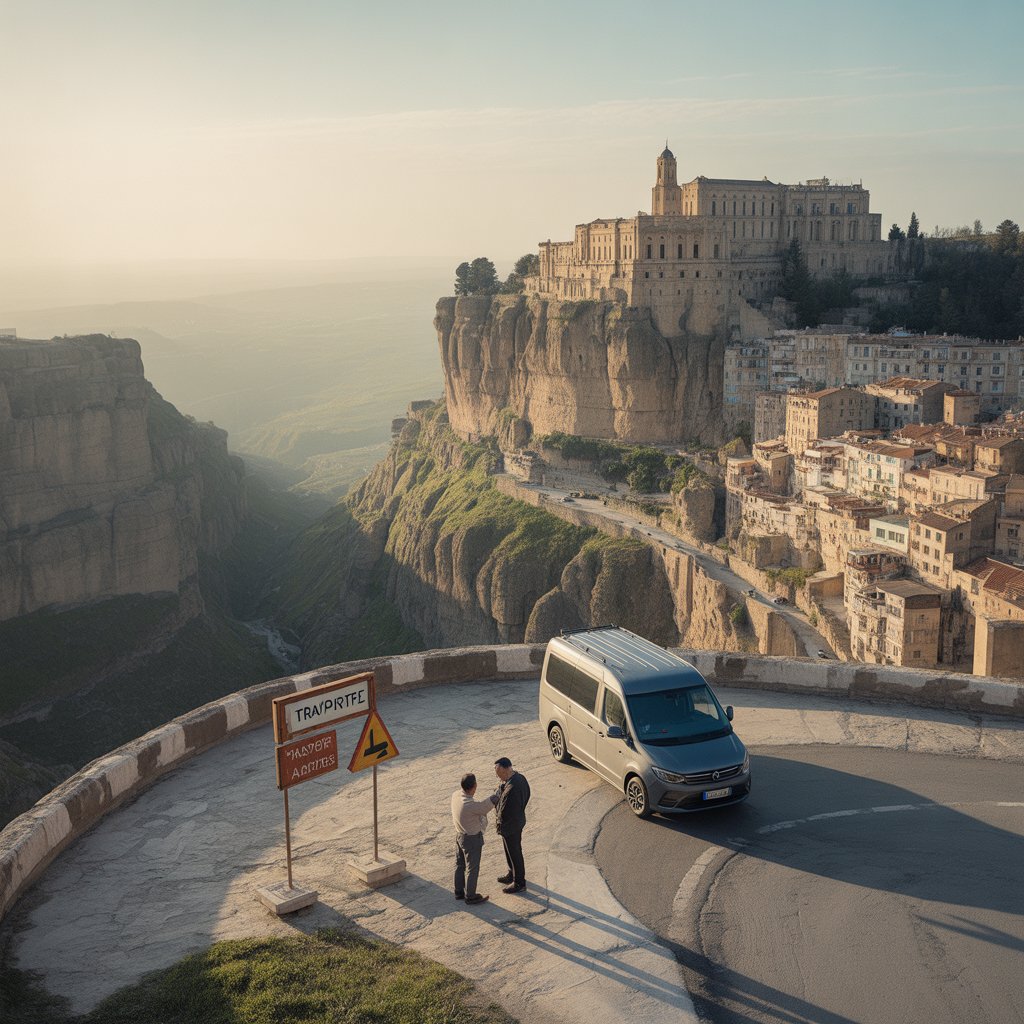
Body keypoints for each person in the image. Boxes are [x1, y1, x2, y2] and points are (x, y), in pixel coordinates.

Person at [451, 772, 494, 905]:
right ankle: (470, 896)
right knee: (472, 868)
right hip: (471, 839)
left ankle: (459, 891)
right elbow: (484, 807)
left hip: (459, 835)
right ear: (475, 786)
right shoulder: (469, 805)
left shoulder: (456, 795)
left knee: (460, 865)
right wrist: (497, 794)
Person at [493, 756, 530, 893]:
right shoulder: (519, 778)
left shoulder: (513, 787)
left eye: (500, 774)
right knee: (510, 851)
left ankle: (519, 882)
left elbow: (504, 810)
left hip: (511, 826)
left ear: (506, 768)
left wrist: (499, 823)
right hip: (515, 822)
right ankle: (512, 873)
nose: (499, 777)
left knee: (515, 853)